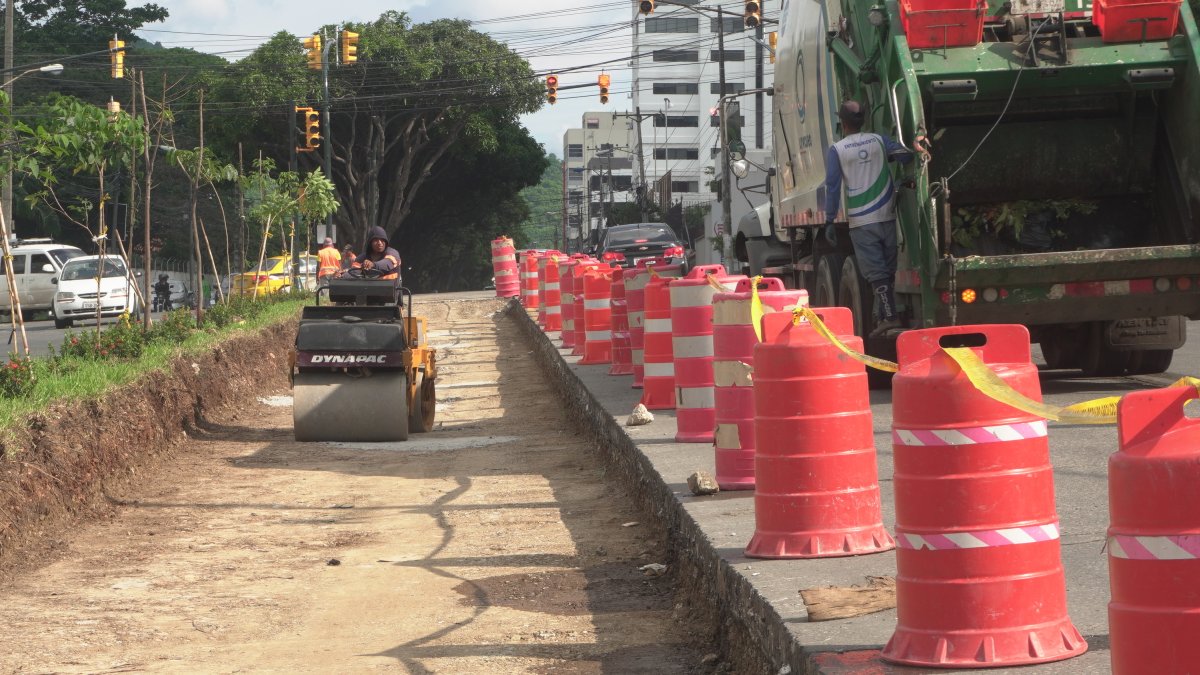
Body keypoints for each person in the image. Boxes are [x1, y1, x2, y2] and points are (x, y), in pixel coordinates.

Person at [823, 100, 930, 337]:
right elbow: (905, 156)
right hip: (887, 216)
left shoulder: (837, 150)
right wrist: (915, 144)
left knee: (876, 272)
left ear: (842, 122)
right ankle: (883, 316)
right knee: (888, 271)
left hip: (861, 221)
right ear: (864, 120)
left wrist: (829, 220)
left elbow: (832, 187)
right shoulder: (879, 141)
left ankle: (889, 317)